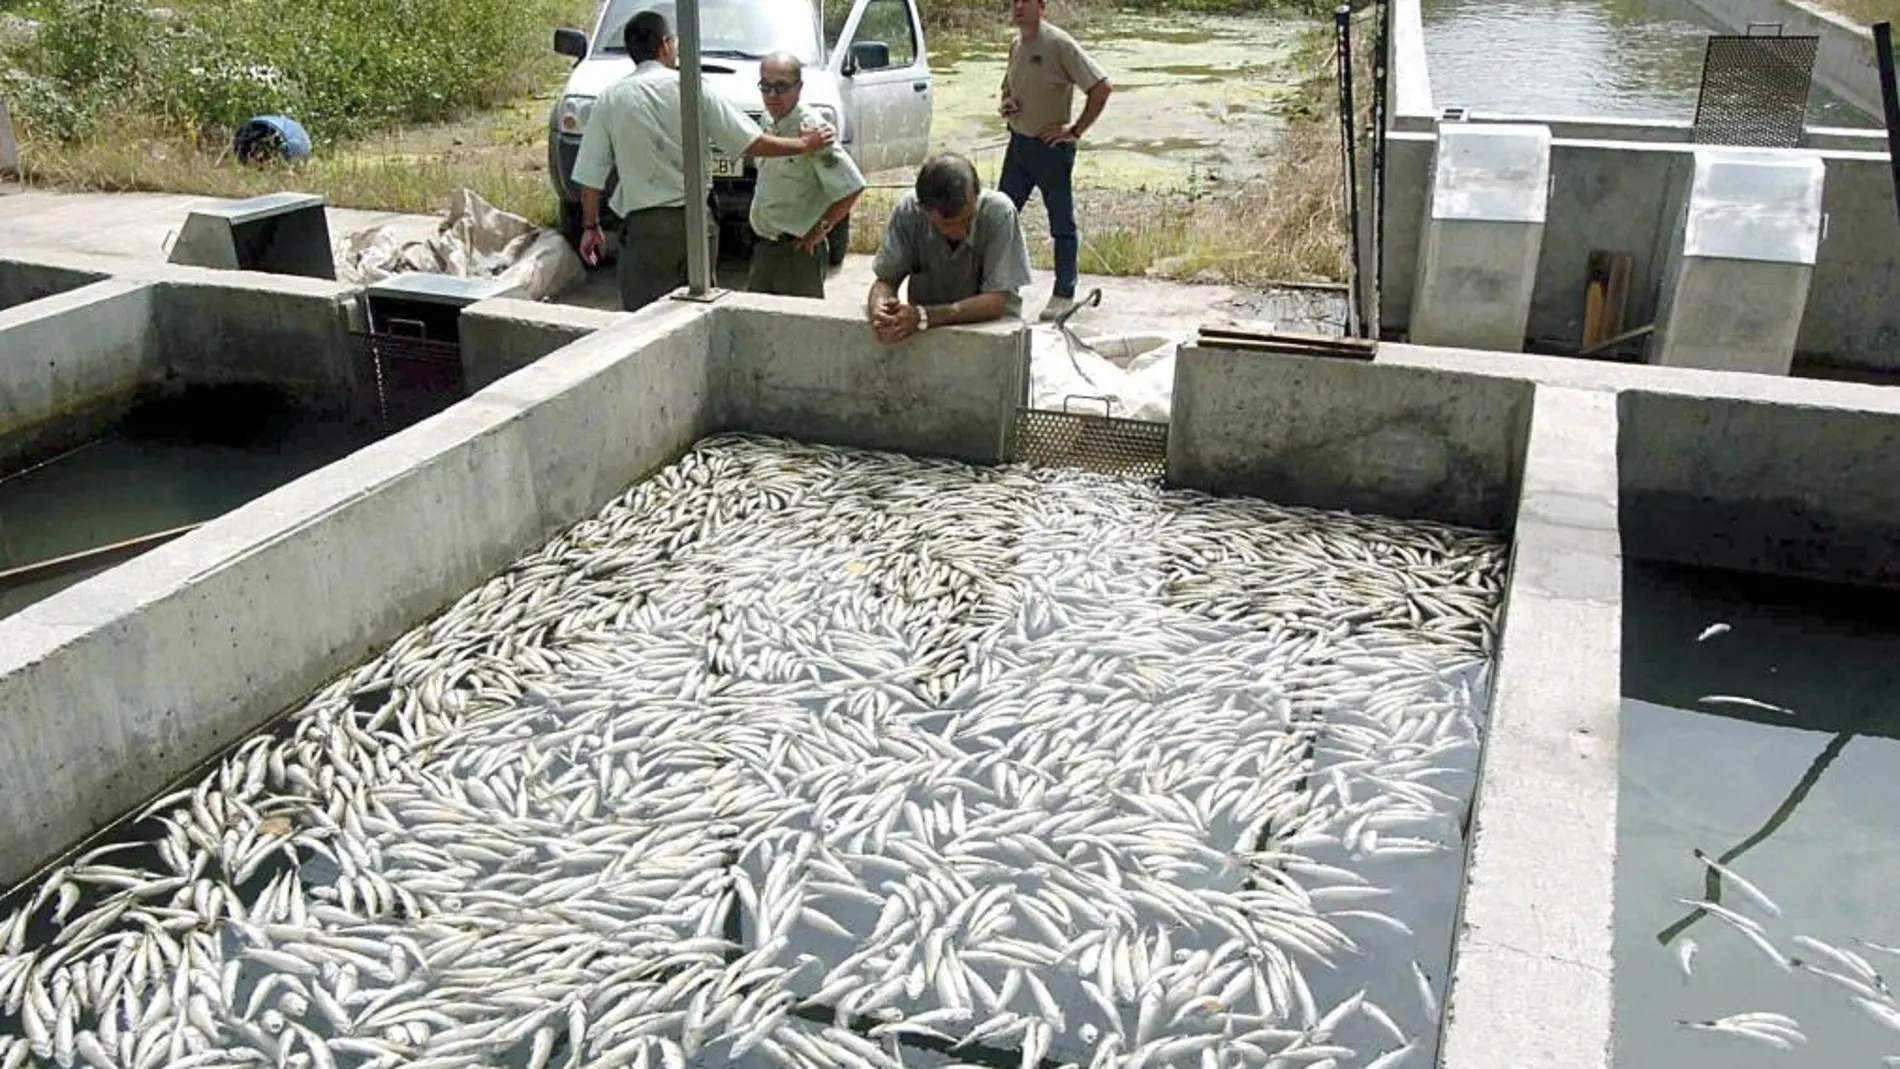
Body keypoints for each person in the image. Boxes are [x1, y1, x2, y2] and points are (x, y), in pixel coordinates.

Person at [572, 8, 837, 312]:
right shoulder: (692, 88)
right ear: (666, 46)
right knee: (693, 314)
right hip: (696, 226)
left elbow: (589, 179)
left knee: (641, 321)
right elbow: (751, 142)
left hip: (644, 231)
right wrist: (804, 143)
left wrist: (591, 226)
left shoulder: (611, 98)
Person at [997, 0, 1111, 323]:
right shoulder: (1016, 44)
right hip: (1018, 145)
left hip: (1051, 149)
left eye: (1025, 1)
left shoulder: (1059, 44)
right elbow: (1008, 85)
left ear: (1042, 7)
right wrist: (1007, 102)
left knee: (1061, 224)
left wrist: (1074, 130)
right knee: (1001, 218)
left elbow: (1101, 88)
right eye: (1013, 1)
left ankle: (1064, 293)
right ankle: (1004, 287)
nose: (1017, 7)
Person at [865, 153, 1033, 345]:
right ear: (923, 210)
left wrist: (925, 316)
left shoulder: (999, 212)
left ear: (977, 197)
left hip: (991, 340)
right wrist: (880, 311)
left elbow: (996, 301)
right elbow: (886, 280)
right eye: (946, 224)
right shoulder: (909, 212)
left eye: (968, 219)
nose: (959, 231)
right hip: (930, 342)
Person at [746, 51, 867, 298]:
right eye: (765, 86)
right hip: (764, 246)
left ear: (798, 88)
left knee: (797, 330)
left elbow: (853, 187)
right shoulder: (768, 120)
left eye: (781, 87)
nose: (772, 95)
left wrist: (820, 229)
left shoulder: (812, 130)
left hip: (797, 252)